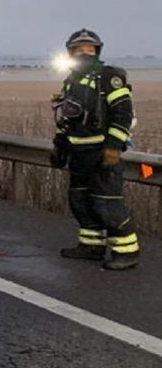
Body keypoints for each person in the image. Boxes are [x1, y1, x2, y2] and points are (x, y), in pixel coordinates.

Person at [50, 28, 139, 270]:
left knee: (106, 204)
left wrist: (112, 148)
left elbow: (123, 114)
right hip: (78, 154)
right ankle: (91, 247)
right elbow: (66, 118)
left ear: (97, 51)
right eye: (78, 50)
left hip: (102, 154)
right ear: (70, 52)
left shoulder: (109, 77)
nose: (83, 53)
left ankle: (127, 251)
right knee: (80, 201)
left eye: (88, 49)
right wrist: (60, 145)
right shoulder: (71, 82)